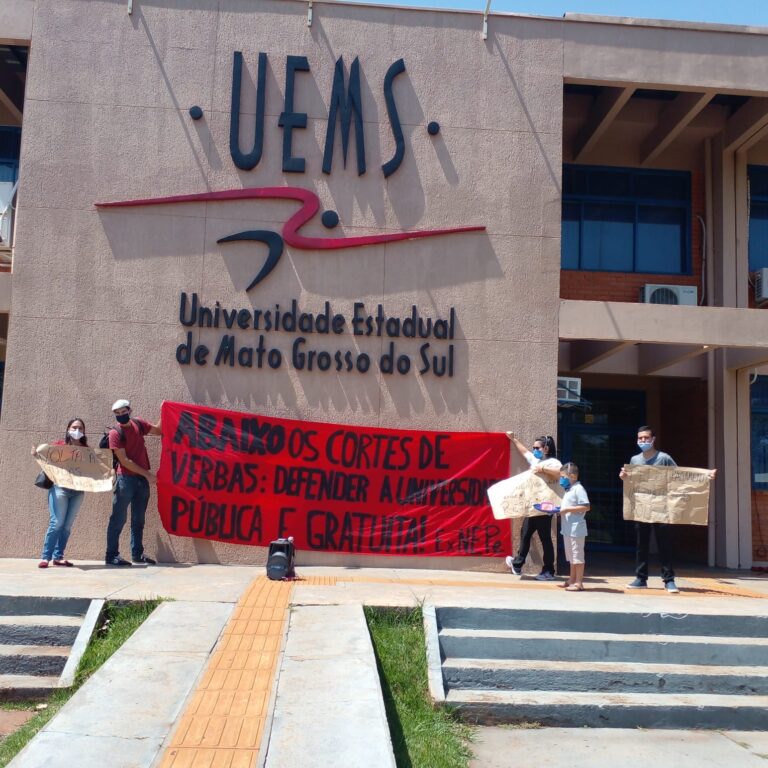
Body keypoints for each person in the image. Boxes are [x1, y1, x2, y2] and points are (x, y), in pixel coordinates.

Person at [619, 425, 717, 594]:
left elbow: (680, 476)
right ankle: (641, 578)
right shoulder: (635, 460)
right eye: (640, 438)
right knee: (641, 544)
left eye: (646, 438)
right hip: (642, 508)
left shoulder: (664, 458)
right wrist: (624, 478)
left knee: (664, 544)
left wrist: (704, 476)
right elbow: (633, 484)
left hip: (662, 508)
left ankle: (669, 580)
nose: (643, 441)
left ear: (653, 439)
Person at [105, 399, 161, 566]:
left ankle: (137, 554)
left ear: (129, 410)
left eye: (123, 412)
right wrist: (148, 475)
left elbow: (159, 431)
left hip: (141, 481)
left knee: (139, 519)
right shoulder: (115, 433)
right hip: (125, 480)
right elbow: (125, 461)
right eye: (117, 414)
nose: (121, 416)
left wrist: (165, 409)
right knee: (118, 518)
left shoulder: (138, 424)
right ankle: (111, 555)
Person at [504, 432, 562, 580]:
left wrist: (542, 470)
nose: (534, 450)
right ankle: (517, 564)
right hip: (532, 507)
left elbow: (560, 473)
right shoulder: (536, 461)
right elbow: (525, 452)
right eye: (534, 447)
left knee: (545, 539)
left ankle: (548, 570)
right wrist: (514, 439)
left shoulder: (553, 463)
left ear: (546, 449)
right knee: (525, 534)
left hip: (544, 508)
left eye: (537, 447)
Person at [34, 419, 88, 569]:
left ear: (84, 431)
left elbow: (91, 469)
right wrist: (37, 454)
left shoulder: (86, 450)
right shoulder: (59, 445)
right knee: (57, 523)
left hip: (78, 491)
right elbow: (46, 458)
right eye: (74, 427)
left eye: (80, 428)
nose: (77, 430)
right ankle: (46, 557)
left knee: (67, 526)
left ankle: (58, 557)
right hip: (60, 488)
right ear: (68, 429)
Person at [556, 462, 590, 592]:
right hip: (568, 528)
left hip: (576, 529)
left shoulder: (579, 489)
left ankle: (579, 582)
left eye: (563, 477)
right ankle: (572, 579)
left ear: (572, 476)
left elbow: (586, 506)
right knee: (571, 557)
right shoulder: (569, 490)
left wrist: (567, 510)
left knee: (577, 556)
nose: (562, 479)